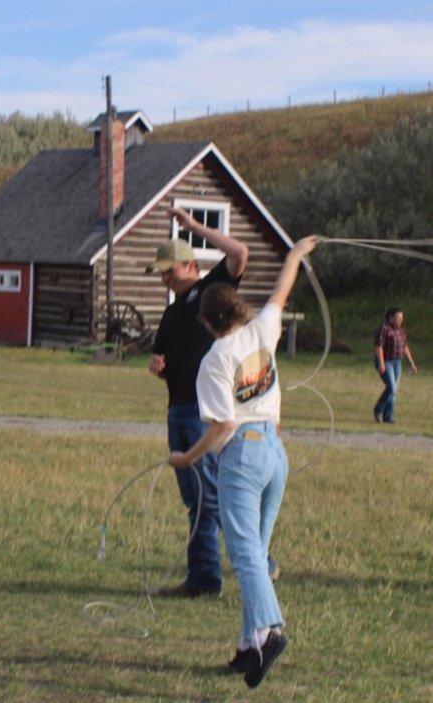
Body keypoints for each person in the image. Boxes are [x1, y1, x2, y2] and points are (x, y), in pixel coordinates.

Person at [169, 235, 319, 689]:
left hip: (245, 456)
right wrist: (293, 255)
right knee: (254, 554)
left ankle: (268, 632)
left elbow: (221, 428)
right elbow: (279, 292)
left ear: (208, 322)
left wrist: (186, 458)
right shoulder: (261, 331)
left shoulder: (214, 360)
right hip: (276, 453)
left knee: (246, 556)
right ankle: (245, 647)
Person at [148, 207, 249, 598]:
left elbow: (239, 253)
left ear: (190, 265)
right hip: (178, 410)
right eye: (161, 271)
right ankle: (204, 579)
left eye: (169, 269)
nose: (164, 276)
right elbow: (162, 360)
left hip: (203, 411)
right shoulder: (172, 312)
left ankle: (259, 561)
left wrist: (195, 228)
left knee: (210, 497)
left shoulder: (212, 292)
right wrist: (156, 366)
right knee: (197, 500)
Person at [373, 307, 418, 424]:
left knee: (394, 390)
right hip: (386, 361)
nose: (400, 320)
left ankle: (388, 416)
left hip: (397, 362)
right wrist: (381, 363)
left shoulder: (401, 331)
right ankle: (378, 410)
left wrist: (411, 363)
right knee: (391, 388)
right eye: (397, 318)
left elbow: (404, 348)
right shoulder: (384, 329)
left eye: (401, 318)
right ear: (391, 317)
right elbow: (378, 347)